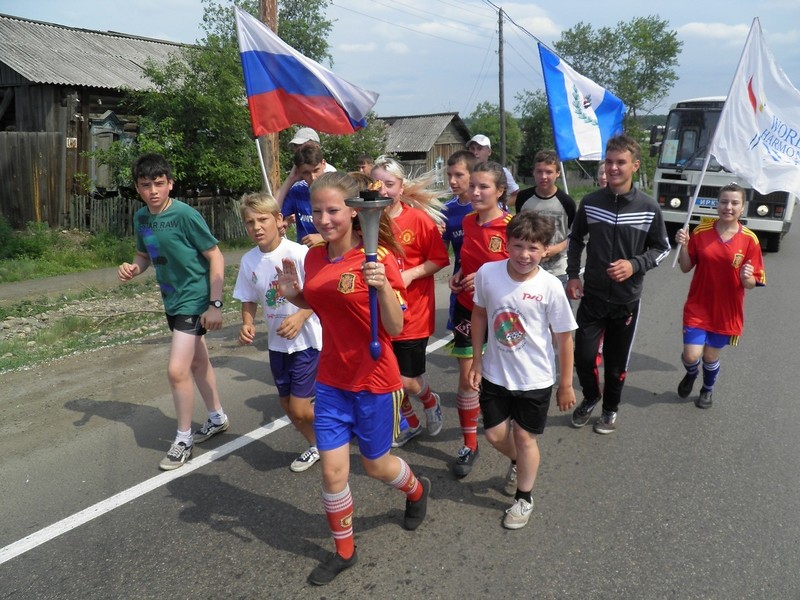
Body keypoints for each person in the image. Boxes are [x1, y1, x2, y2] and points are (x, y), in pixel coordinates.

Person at [276, 172, 430, 586]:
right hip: (331, 381)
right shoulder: (314, 257)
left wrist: (382, 288)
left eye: (333, 210)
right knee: (332, 474)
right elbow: (323, 302)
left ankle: (417, 490)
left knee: (376, 466)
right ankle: (345, 551)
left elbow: (395, 327)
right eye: (317, 211)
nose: (324, 219)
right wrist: (293, 293)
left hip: (375, 382)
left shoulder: (378, 257)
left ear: (354, 212)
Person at [118, 153, 229, 470]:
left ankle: (183, 440)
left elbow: (215, 256)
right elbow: (144, 256)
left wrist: (215, 304)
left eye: (158, 183)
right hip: (172, 299)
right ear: (137, 188)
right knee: (198, 361)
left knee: (176, 370)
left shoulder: (185, 215)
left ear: (170, 183)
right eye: (145, 185)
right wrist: (133, 268)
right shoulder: (142, 218)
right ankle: (217, 417)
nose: (152, 190)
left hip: (194, 299)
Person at [469, 211, 577, 528]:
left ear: (545, 250)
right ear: (507, 244)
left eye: (533, 248)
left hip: (535, 379)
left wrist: (566, 384)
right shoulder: (487, 274)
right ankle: (518, 459)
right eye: (518, 246)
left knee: (524, 436)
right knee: (494, 434)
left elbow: (564, 338)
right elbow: (479, 314)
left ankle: (524, 498)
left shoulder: (550, 286)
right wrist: (476, 359)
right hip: (495, 374)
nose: (524, 255)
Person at [566, 134, 671, 434]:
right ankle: (591, 397)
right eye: (609, 162)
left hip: (626, 301)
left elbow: (662, 248)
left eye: (620, 162)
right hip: (593, 297)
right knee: (583, 357)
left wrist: (634, 265)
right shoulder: (590, 202)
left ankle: (610, 408)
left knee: (615, 365)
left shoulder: (648, 207)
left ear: (635, 166)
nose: (613, 168)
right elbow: (575, 239)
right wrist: (573, 275)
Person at [233, 192, 323, 472]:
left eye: (263, 219)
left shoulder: (298, 253)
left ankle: (336, 429)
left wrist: (300, 315)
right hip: (277, 345)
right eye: (250, 222)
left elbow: (320, 296)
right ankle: (318, 444)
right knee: (286, 404)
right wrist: (247, 322)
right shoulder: (249, 261)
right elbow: (248, 297)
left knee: (299, 408)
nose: (257, 227)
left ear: (279, 219)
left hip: (307, 342)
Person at [371, 156, 449, 447]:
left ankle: (429, 399)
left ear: (401, 187)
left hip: (413, 315)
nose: (383, 190)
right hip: (379, 314)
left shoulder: (418, 220)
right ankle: (410, 422)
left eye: (389, 184)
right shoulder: (367, 222)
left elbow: (439, 259)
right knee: (388, 378)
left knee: (406, 380)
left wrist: (409, 275)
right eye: (377, 184)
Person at [674, 183, 765, 409]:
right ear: (717, 204)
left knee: (710, 357)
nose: (728, 207)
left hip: (726, 311)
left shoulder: (750, 240)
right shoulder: (701, 231)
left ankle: (707, 389)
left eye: (735, 203)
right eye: (724, 202)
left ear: (743, 207)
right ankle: (691, 373)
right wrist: (684, 247)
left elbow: (752, 283)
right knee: (691, 356)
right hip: (698, 305)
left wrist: (746, 277)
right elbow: (685, 267)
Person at [448, 161, 512, 477]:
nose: (475, 192)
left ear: (499, 191)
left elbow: (524, 270)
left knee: (504, 382)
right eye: (472, 185)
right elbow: (467, 259)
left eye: (483, 186)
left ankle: (517, 450)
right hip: (468, 308)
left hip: (503, 314)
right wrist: (459, 274)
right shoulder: (467, 221)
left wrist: (487, 278)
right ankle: (469, 444)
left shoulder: (512, 226)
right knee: (468, 378)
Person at [516, 149, 577, 289]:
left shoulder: (566, 202)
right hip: (527, 267)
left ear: (558, 173)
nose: (543, 176)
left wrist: (557, 248)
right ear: (533, 172)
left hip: (557, 270)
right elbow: (517, 232)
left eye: (549, 172)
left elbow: (574, 236)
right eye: (539, 171)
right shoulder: (523, 198)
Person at [442, 150, 478, 330]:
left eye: (458, 175)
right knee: (462, 341)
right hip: (460, 286)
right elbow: (441, 252)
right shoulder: (446, 210)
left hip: (487, 283)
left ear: (472, 175)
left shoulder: (486, 206)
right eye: (449, 175)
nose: (452, 181)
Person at [276, 145, 327, 248]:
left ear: (323, 164)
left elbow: (350, 226)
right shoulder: (297, 191)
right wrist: (291, 178)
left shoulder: (337, 190)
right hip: (305, 253)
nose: (313, 177)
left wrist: (323, 238)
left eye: (316, 170)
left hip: (333, 252)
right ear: (299, 171)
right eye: (306, 173)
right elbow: (272, 210)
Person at [467, 134, 520, 210]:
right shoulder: (463, 173)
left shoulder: (501, 172)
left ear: (489, 152)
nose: (475, 152)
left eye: (479, 149)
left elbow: (517, 195)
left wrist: (499, 205)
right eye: (472, 149)